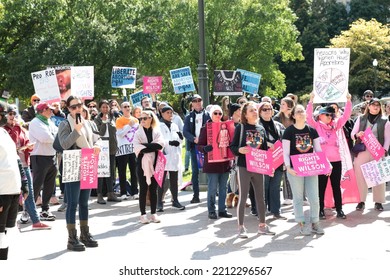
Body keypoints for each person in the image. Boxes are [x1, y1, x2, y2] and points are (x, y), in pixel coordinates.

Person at [58, 95, 101, 251]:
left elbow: (97, 139)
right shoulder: (65, 123)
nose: (76, 109)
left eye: (79, 105)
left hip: (88, 161)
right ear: (68, 109)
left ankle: (85, 234)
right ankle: (72, 237)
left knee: (84, 202)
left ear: (83, 106)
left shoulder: (89, 123)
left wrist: (97, 146)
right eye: (72, 107)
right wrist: (76, 131)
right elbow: (64, 144)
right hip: (73, 163)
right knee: (73, 203)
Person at [230, 101, 275, 238]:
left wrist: (269, 167)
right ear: (245, 114)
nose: (255, 112)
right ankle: (241, 227)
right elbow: (232, 147)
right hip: (244, 166)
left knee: (260, 197)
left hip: (258, 167)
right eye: (251, 110)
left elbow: (265, 151)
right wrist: (239, 150)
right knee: (243, 196)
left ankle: (262, 226)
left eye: (255, 110)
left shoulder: (260, 129)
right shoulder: (241, 128)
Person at [3, 106, 51, 230]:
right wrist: (18, 149)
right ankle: (7, 223)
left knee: (28, 192)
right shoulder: (3, 130)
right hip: (9, 167)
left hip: (23, 164)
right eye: (9, 113)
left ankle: (36, 221)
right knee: (9, 194)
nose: (12, 116)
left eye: (14, 113)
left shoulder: (21, 129)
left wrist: (28, 147)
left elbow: (26, 143)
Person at [307, 92, 352, 219]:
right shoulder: (316, 126)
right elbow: (308, 117)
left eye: (331, 115)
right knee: (320, 186)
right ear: (320, 115)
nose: (329, 117)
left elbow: (345, 117)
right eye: (327, 114)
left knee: (336, 186)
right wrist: (311, 101)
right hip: (322, 161)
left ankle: (339, 209)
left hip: (336, 161)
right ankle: (320, 210)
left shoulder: (335, 126)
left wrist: (348, 101)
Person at [282, 104, 324, 236]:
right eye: (298, 112)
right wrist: (288, 167)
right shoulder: (288, 131)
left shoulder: (312, 130)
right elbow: (286, 152)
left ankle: (315, 223)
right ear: (293, 115)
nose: (301, 113)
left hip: (311, 168)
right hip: (295, 169)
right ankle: (301, 224)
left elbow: (318, 150)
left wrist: (325, 164)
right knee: (298, 198)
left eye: (302, 111)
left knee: (314, 198)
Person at [351, 98, 390, 211]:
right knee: (360, 176)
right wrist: (358, 134)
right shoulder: (360, 118)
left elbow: (387, 138)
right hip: (362, 149)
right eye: (373, 105)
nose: (376, 107)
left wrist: (384, 150)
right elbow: (352, 133)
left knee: (378, 176)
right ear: (369, 106)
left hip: (377, 151)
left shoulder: (385, 121)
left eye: (378, 105)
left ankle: (378, 201)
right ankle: (361, 201)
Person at [197, 105, 232, 219]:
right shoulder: (206, 128)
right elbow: (199, 145)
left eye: (219, 113)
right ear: (211, 114)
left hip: (225, 163)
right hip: (212, 164)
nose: (217, 115)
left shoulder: (226, 126)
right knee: (212, 188)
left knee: (223, 188)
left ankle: (222, 209)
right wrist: (204, 148)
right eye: (215, 113)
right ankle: (211, 210)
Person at [0, 128, 29, 259]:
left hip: (13, 188)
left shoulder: (4, 132)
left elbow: (16, 159)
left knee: (9, 231)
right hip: (1, 190)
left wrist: (24, 183)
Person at [133, 110, 164, 224]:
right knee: (143, 188)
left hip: (156, 162)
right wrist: (151, 147)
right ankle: (142, 214)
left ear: (151, 118)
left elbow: (160, 145)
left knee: (153, 189)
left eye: (145, 118)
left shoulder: (156, 132)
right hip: (142, 164)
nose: (142, 121)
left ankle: (153, 213)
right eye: (140, 119)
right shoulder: (138, 133)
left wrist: (145, 146)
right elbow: (137, 148)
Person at [29, 102, 58, 221]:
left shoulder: (49, 122)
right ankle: (28, 210)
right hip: (39, 156)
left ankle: (45, 209)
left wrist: (53, 136)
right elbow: (46, 138)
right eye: (49, 109)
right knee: (36, 185)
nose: (51, 111)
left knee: (49, 185)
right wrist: (54, 136)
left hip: (51, 156)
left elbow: (57, 134)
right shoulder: (35, 122)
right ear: (42, 110)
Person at [258, 102, 286, 220]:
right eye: (264, 109)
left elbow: (285, 142)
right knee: (264, 186)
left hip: (278, 159)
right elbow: (253, 142)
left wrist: (285, 160)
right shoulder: (256, 126)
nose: (267, 111)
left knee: (275, 186)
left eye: (269, 109)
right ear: (260, 112)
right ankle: (262, 211)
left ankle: (276, 210)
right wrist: (267, 143)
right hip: (263, 159)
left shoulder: (278, 125)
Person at [183, 94, 211, 203]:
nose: (198, 102)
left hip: (207, 147)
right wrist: (193, 138)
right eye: (195, 101)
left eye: (199, 100)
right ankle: (196, 195)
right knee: (195, 171)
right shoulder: (188, 117)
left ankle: (212, 193)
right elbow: (185, 131)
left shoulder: (208, 115)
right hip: (194, 147)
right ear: (192, 104)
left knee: (210, 170)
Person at [157, 105, 185, 211]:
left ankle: (175, 200)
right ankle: (159, 202)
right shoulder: (159, 126)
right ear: (162, 114)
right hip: (164, 155)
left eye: (171, 113)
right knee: (162, 180)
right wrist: (169, 142)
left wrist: (180, 139)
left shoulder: (174, 125)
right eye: (168, 113)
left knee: (174, 179)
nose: (170, 115)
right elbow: (159, 140)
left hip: (174, 156)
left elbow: (178, 140)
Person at [94, 100, 121, 204]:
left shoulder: (113, 117)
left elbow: (114, 133)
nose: (105, 109)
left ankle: (111, 193)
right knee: (101, 172)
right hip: (101, 148)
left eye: (107, 107)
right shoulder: (97, 119)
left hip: (111, 148)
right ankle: (99, 195)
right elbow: (99, 133)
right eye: (103, 107)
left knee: (110, 171)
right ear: (100, 108)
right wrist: (104, 122)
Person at [273, 97, 295, 205]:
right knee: (286, 170)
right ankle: (288, 197)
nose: (281, 106)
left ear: (289, 106)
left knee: (297, 170)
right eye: (281, 104)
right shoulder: (277, 118)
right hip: (282, 147)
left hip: (295, 146)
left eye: (283, 104)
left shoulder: (294, 117)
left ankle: (301, 197)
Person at [115, 102, 139, 199]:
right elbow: (120, 134)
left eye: (128, 106)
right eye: (125, 107)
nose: (127, 108)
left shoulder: (136, 120)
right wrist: (129, 126)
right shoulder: (119, 120)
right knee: (122, 171)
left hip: (133, 149)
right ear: (121, 108)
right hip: (123, 149)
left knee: (134, 171)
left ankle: (135, 191)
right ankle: (123, 192)